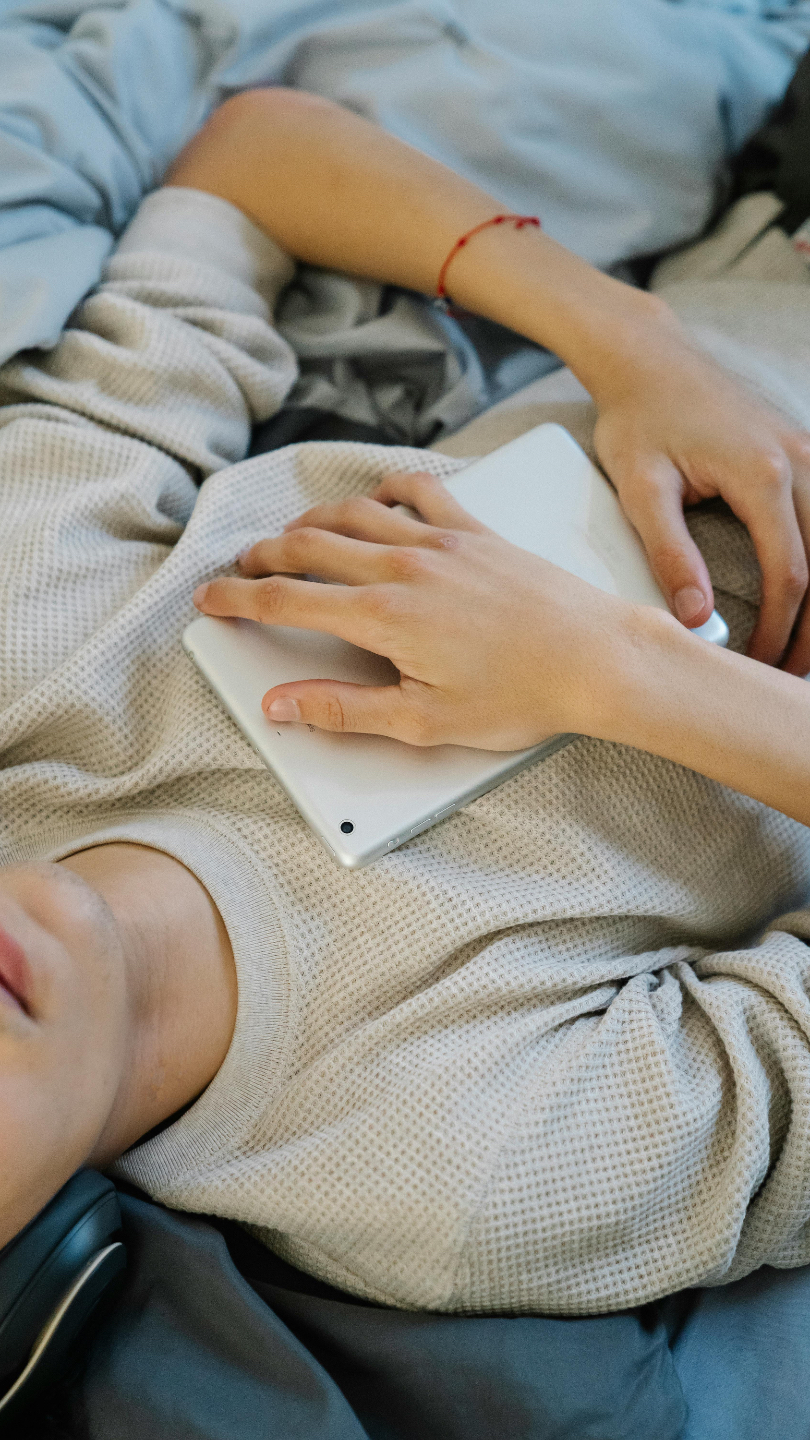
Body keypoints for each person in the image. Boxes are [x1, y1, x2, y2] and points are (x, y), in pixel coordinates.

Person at [2, 87, 810, 1316]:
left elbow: (254, 159)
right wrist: (620, 676)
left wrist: (641, 346)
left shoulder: (31, 641)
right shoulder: (464, 1172)